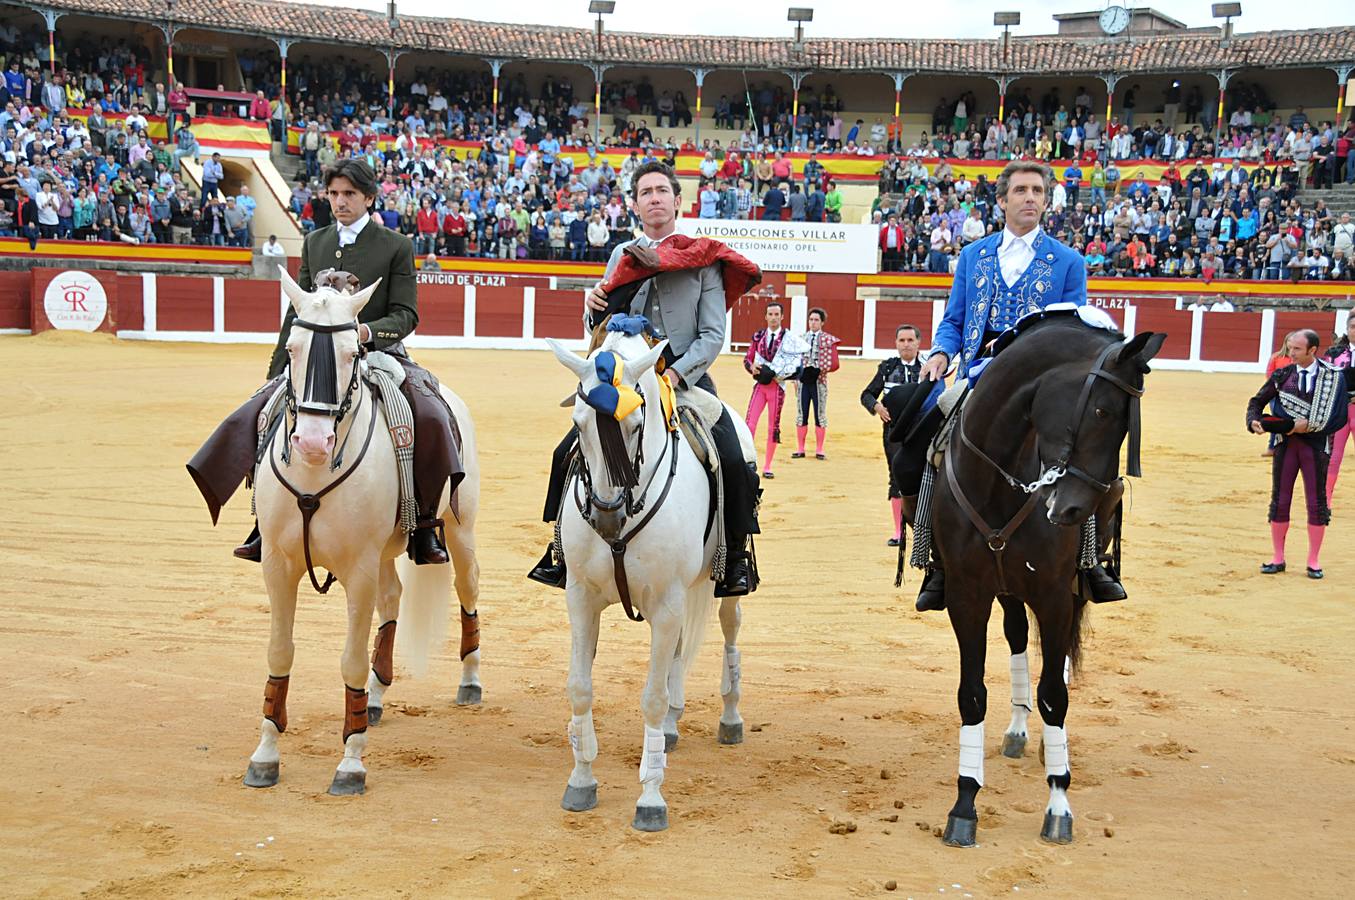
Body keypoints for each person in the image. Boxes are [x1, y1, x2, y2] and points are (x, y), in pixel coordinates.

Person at [190, 159, 461, 568]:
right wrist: (276, 370)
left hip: (377, 355)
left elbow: (406, 315)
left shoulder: (396, 245)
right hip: (315, 357)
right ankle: (263, 520)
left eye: (349, 194)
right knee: (261, 413)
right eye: (333, 194)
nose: (340, 202)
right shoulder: (315, 242)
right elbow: (295, 313)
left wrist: (363, 334)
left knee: (430, 416)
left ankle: (422, 524)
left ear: (369, 197)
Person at [528, 161, 762, 598]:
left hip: (684, 383)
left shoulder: (704, 258)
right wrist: (591, 306)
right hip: (623, 381)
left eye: (661, 191)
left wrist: (673, 373)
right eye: (645, 192)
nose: (654, 198)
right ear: (635, 204)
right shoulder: (622, 255)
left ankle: (734, 559)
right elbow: (598, 325)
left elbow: (712, 336)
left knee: (731, 456)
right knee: (568, 450)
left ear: (677, 201)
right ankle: (559, 550)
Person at [911, 160, 1124, 611]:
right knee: (923, 440)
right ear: (1003, 200)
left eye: (1038, 191)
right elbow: (954, 319)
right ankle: (936, 559)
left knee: (1081, 456)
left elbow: (1075, 330)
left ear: (1046, 202)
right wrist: (939, 353)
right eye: (1022, 190)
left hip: (1042, 389)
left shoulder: (1068, 261)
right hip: (976, 377)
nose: (1031, 198)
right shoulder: (974, 256)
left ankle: (1088, 563)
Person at [1247, 329, 1349, 579]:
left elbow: (1338, 417)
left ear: (1312, 350)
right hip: (1286, 445)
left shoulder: (1333, 377)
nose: (1290, 353)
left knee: (1316, 503)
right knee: (1280, 500)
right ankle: (1278, 558)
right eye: (1289, 347)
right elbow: (1256, 402)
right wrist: (1253, 422)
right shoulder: (1282, 375)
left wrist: (1307, 426)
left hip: (1315, 447)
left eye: (1296, 349)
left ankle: (1313, 561)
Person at [861, 324, 924, 546]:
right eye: (902, 341)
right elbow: (867, 395)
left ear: (918, 343)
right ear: (896, 343)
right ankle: (899, 532)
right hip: (894, 432)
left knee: (925, 478)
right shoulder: (887, 368)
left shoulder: (928, 367)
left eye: (910, 340)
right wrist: (877, 407)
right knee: (896, 478)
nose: (906, 344)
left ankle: (921, 532)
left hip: (921, 430)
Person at [744, 300, 805, 479]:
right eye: (770, 314)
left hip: (777, 388)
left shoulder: (790, 339)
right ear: (766, 316)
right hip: (761, 387)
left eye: (776, 314)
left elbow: (798, 367)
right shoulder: (758, 337)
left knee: (773, 427)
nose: (773, 318)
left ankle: (768, 466)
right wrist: (751, 367)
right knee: (750, 423)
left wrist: (789, 376)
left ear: (782, 316)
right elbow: (747, 359)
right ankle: (748, 461)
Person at [792, 307, 840, 461]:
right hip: (803, 383)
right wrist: (795, 378)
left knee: (820, 414)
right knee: (802, 413)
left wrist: (819, 370)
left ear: (822, 322)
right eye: (811, 319)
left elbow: (833, 363)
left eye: (816, 320)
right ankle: (800, 448)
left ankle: (820, 449)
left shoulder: (827, 339)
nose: (813, 322)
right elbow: (794, 361)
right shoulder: (800, 339)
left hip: (819, 382)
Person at [1323, 317, 1355, 506]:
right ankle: (1325, 500)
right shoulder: (1334, 354)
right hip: (1340, 410)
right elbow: (1325, 380)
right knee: (1333, 457)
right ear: (1347, 329)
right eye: (1352, 327)